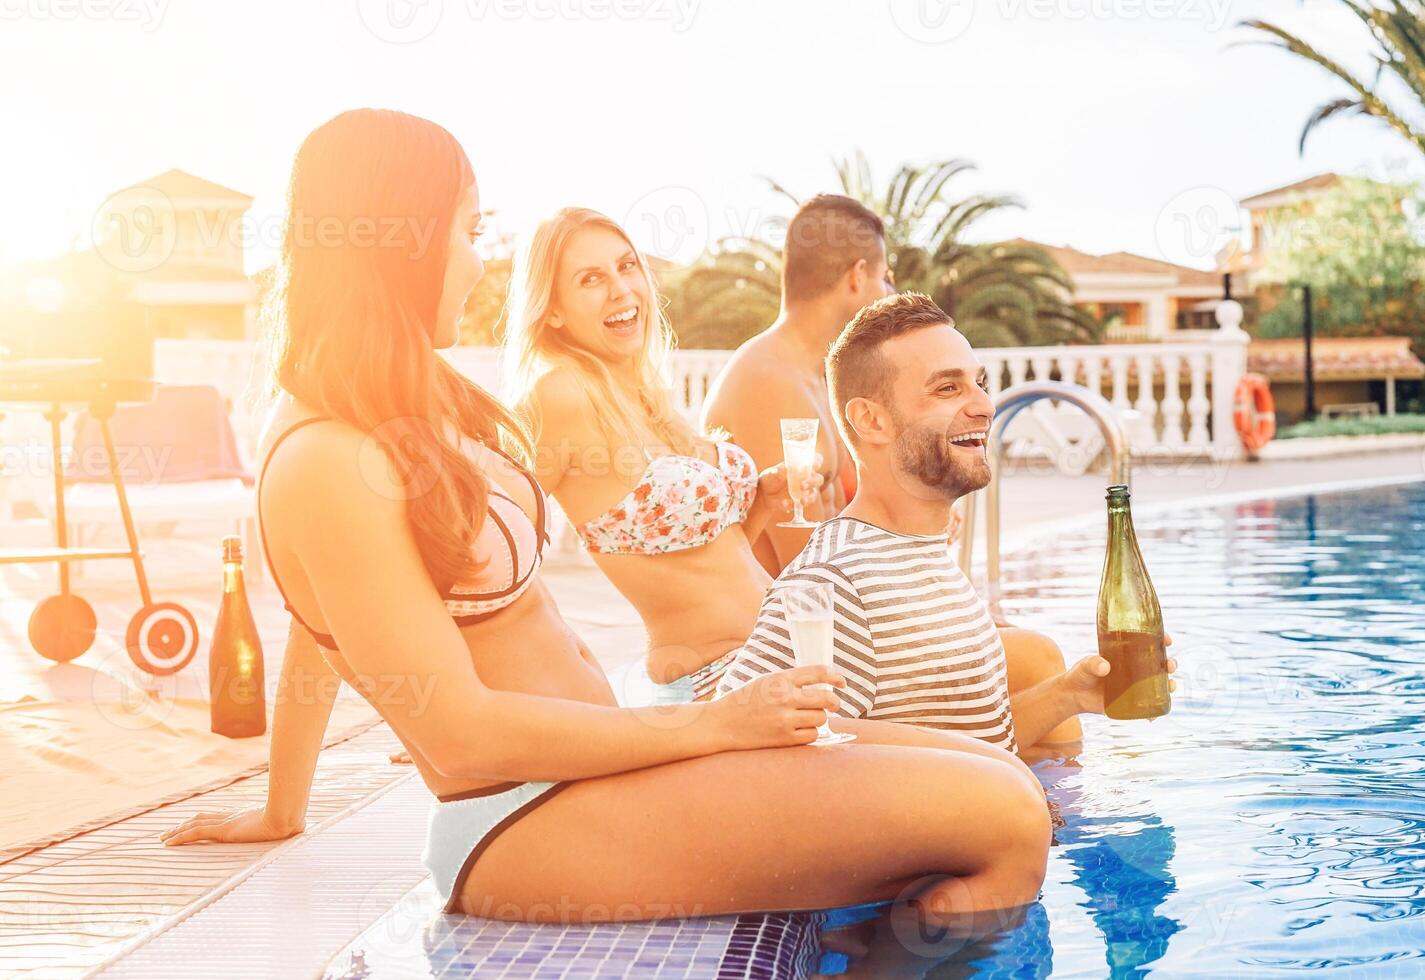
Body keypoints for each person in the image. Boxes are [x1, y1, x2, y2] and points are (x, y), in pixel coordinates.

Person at [161, 110, 1051, 934]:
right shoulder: (324, 456)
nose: (478, 264)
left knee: (1008, 777)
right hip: (520, 816)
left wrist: (284, 809)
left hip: (607, 765)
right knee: (1003, 821)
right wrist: (715, 725)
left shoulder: (407, 406)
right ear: (397, 239)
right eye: (467, 234)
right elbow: (454, 729)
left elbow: (344, 621)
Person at [717, 293, 1177, 757]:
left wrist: (1069, 696)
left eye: (979, 383)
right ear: (871, 420)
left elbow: (962, 746)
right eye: (948, 389)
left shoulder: (914, 551)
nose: (983, 406)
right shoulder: (835, 582)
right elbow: (735, 755)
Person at [501, 208, 820, 702]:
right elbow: (490, 542)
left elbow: (713, 556)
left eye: (627, 266)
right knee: (964, 769)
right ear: (553, 309)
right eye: (591, 279)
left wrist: (765, 501)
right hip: (718, 683)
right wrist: (501, 691)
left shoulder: (647, 395)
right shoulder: (560, 393)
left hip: (777, 658)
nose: (621, 289)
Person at [701, 194, 891, 576]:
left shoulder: (810, 374)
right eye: (884, 276)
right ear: (856, 276)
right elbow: (805, 569)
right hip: (781, 622)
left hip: (826, 601)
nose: (888, 292)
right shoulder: (768, 382)